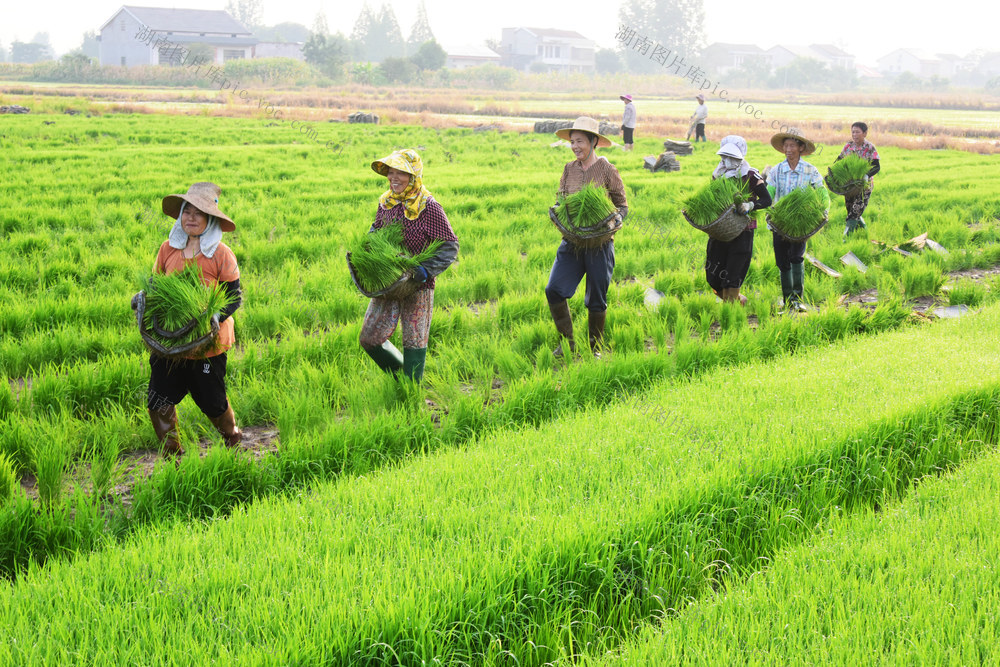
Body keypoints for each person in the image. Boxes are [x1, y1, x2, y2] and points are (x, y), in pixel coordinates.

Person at [146, 182, 243, 458]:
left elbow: (234, 296)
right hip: (170, 342)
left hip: (207, 345)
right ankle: (173, 458)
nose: (190, 217)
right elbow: (155, 286)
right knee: (158, 400)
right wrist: (143, 299)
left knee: (212, 402)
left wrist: (214, 316)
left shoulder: (221, 254)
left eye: (198, 213)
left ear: (210, 219)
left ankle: (232, 439)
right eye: (186, 211)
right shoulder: (167, 249)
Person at [359, 149, 459, 383]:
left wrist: (424, 270)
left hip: (417, 284)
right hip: (388, 281)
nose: (393, 178)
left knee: (414, 340)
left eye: (400, 173)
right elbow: (376, 230)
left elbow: (449, 246)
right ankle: (402, 380)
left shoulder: (428, 206)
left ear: (413, 176)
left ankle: (411, 389)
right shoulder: (387, 202)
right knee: (369, 338)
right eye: (390, 172)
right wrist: (368, 247)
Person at [546, 116, 628, 358]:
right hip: (571, 242)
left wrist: (617, 220)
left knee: (596, 299)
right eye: (572, 142)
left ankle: (596, 349)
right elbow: (561, 199)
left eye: (580, 141)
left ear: (594, 142)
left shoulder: (607, 169)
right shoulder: (569, 169)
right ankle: (567, 343)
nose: (575, 146)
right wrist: (557, 211)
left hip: (600, 244)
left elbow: (622, 205)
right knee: (554, 290)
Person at [766, 131, 830, 312]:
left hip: (801, 223)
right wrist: (765, 205)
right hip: (779, 222)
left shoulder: (810, 170)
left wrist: (824, 209)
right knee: (782, 260)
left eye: (792, 146)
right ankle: (787, 300)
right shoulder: (777, 170)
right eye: (786, 146)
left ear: (801, 148)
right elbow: (770, 191)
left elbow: (821, 192)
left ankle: (797, 298)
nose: (788, 149)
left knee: (796, 256)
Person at [705, 135, 772, 304]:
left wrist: (750, 205)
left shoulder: (750, 175)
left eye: (732, 157)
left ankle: (732, 310)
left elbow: (767, 199)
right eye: (725, 156)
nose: (728, 160)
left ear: (740, 156)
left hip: (743, 230)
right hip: (720, 230)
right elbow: (712, 199)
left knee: (733, 273)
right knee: (713, 275)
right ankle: (738, 300)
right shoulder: (718, 175)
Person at [835, 121, 881, 236]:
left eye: (857, 132)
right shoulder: (848, 146)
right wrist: (835, 173)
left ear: (865, 133)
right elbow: (838, 161)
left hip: (864, 187)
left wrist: (866, 175)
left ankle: (845, 239)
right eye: (853, 132)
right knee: (851, 210)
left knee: (854, 212)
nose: (854, 135)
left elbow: (876, 166)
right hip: (849, 187)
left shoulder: (869, 147)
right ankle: (864, 233)